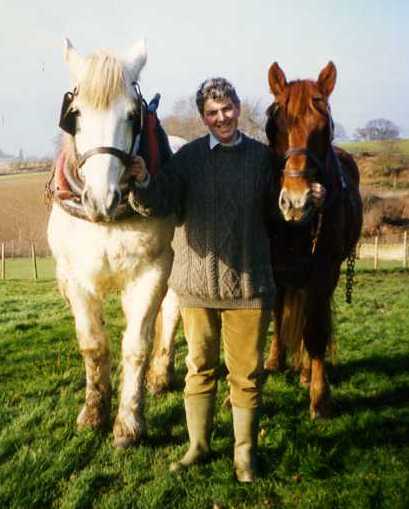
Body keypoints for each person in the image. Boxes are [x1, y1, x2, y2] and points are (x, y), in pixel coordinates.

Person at [129, 78, 325, 482]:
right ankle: (197, 447)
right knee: (198, 369)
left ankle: (244, 457)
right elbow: (160, 201)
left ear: (237, 107)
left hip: (249, 288)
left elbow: (281, 215)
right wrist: (144, 180)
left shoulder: (262, 159)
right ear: (204, 117)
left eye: (228, 109)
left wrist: (309, 206)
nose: (221, 118)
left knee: (247, 376)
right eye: (212, 113)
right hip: (196, 289)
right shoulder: (188, 160)